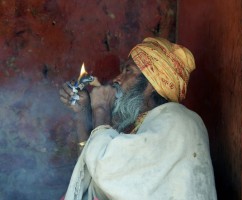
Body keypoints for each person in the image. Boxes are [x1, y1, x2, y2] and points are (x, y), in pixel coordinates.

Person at [59, 37, 217, 200]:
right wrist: (82, 113)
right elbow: (93, 185)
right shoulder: (147, 127)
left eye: (129, 71)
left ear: (152, 83)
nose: (117, 79)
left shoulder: (178, 121)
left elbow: (105, 168)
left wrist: (101, 109)